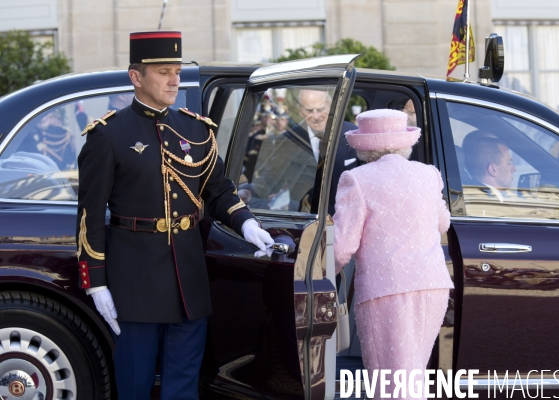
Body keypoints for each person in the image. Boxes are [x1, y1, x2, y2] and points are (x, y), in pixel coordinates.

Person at [76, 31, 274, 400]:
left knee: (183, 383)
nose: (174, 80)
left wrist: (247, 223)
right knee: (134, 382)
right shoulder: (109, 135)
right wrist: (96, 281)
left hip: (187, 276)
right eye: (164, 71)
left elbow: (217, 190)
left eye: (177, 71)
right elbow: (89, 214)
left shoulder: (194, 128)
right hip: (134, 278)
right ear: (136, 77)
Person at [333, 109, 453, 400]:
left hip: (385, 291)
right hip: (433, 286)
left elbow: (341, 247)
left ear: (363, 144)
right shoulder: (428, 174)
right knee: (413, 376)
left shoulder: (356, 179)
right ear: (404, 141)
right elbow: (443, 224)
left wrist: (315, 271)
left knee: (391, 385)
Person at [251, 88, 358, 215]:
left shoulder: (354, 135)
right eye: (309, 111)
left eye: (320, 109)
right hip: (302, 221)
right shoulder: (288, 140)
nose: (316, 116)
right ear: (300, 111)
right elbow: (269, 177)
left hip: (346, 218)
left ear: (331, 106)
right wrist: (250, 191)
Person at [464, 136, 516, 202]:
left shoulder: (471, 197)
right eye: (508, 163)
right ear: (493, 169)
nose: (514, 169)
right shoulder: (490, 204)